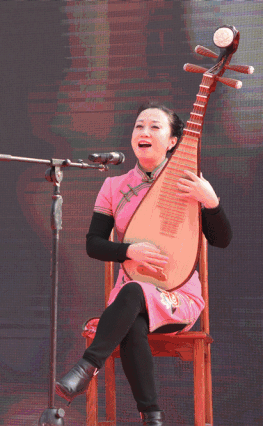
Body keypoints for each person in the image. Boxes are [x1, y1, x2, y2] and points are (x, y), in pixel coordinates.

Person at [55, 102, 232, 426]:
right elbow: (94, 244)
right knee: (132, 317)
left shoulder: (191, 182)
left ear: (173, 141)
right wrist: (128, 252)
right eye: (139, 126)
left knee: (134, 296)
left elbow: (221, 240)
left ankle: (86, 367)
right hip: (129, 297)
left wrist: (210, 200)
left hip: (177, 297)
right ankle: (152, 418)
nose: (144, 132)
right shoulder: (113, 187)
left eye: (154, 126)